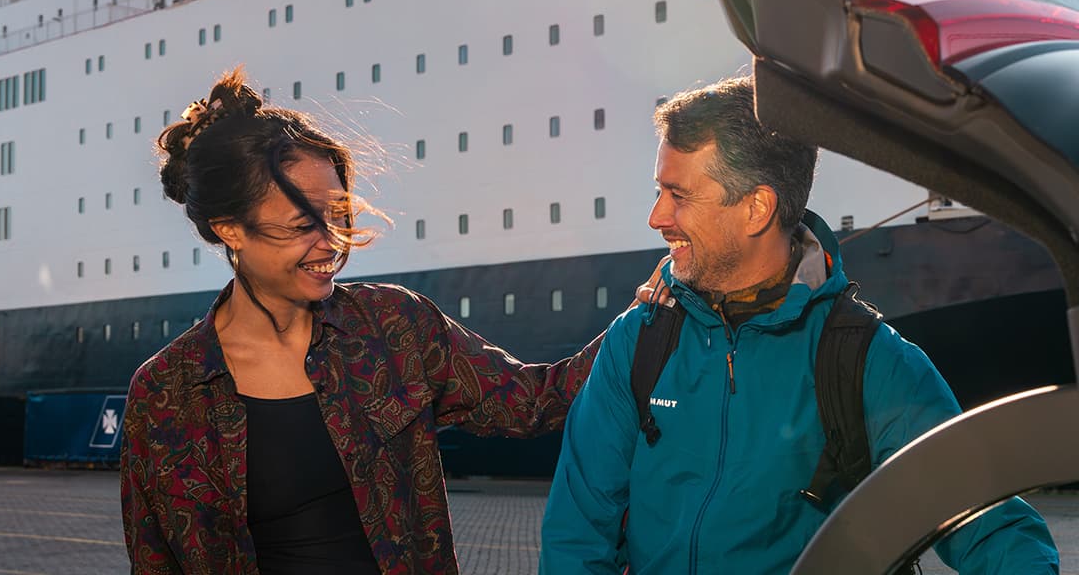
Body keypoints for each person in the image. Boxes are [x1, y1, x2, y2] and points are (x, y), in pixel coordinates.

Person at [120, 67, 651, 574]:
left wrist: (645, 315)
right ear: (230, 229)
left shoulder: (393, 326)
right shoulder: (167, 391)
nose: (331, 242)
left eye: (337, 214)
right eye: (303, 224)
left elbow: (537, 402)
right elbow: (154, 560)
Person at [538, 75, 1059, 574]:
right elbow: (577, 534)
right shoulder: (638, 342)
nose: (657, 217)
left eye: (679, 195)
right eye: (659, 191)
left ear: (756, 209)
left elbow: (994, 531)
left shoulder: (866, 361)